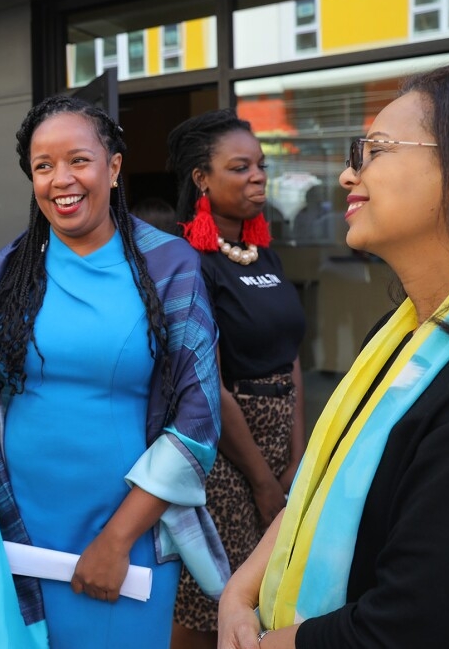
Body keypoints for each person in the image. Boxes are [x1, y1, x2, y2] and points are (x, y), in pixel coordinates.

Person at [0, 96, 229, 648]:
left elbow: (198, 422)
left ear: (113, 167)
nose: (60, 179)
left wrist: (116, 542)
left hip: (125, 536)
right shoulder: (11, 268)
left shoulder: (169, 265)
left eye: (78, 160)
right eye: (43, 166)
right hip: (18, 527)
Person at [218, 64, 449, 648]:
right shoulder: (399, 334)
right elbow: (317, 493)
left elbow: (415, 626)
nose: (349, 173)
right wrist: (238, 593)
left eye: (373, 150)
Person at [165, 109, 305, 649]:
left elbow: (289, 355)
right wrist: (264, 481)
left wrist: (295, 459)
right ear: (202, 178)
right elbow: (209, 385)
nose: (258, 178)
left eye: (261, 167)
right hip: (223, 454)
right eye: (240, 167)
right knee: (216, 600)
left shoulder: (261, 250)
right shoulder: (186, 261)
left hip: (280, 440)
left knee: (270, 590)